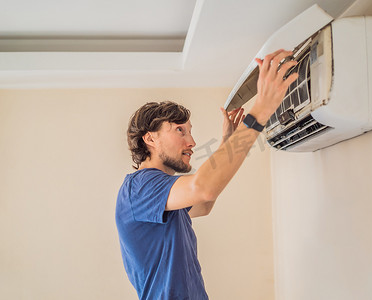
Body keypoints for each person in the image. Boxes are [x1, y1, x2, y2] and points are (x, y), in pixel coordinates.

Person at [115, 49, 298, 299]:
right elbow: (203, 188)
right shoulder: (140, 187)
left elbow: (203, 203)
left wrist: (226, 142)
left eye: (190, 131)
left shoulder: (163, 194)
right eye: (179, 130)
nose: (191, 141)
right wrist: (261, 109)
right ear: (150, 139)